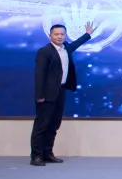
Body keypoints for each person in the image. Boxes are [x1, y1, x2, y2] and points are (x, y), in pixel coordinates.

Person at [31, 23, 97, 166]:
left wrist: (87, 34)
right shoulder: (44, 51)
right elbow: (39, 75)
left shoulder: (66, 47)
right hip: (46, 94)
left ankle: (48, 153)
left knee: (54, 124)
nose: (59, 37)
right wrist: (40, 95)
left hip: (60, 91)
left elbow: (75, 45)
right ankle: (36, 156)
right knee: (42, 125)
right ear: (50, 36)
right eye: (56, 34)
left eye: (62, 34)